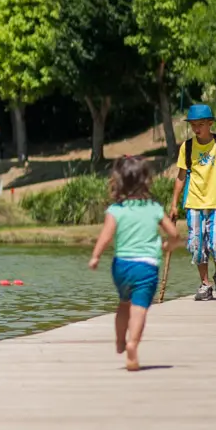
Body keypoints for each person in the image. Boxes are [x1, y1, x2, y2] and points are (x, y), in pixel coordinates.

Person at [87, 156, 177, 371]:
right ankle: (132, 344)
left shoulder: (115, 210)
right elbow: (174, 233)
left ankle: (119, 340)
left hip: (122, 267)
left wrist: (95, 256)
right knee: (139, 309)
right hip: (146, 267)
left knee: (123, 303)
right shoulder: (154, 208)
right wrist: (168, 245)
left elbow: (106, 236)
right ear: (146, 181)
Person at [169, 103, 216, 300]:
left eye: (200, 124)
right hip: (194, 202)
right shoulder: (188, 146)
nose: (196, 128)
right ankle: (204, 284)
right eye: (193, 125)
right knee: (196, 244)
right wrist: (174, 204)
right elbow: (181, 176)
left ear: (210, 123)